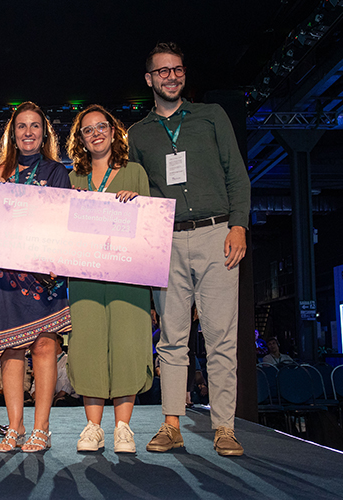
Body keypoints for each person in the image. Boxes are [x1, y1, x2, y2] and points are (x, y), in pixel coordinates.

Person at [128, 42, 251, 457]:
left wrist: (239, 226)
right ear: (149, 80)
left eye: (177, 69)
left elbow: (237, 173)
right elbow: (141, 190)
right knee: (172, 339)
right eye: (162, 71)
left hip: (217, 235)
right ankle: (171, 424)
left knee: (220, 338)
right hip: (166, 241)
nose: (171, 76)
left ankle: (224, 428)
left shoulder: (211, 116)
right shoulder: (138, 133)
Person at [0, 101, 72, 453]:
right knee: (11, 350)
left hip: (45, 273)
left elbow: (62, 220)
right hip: (5, 275)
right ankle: (14, 427)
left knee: (45, 347)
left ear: (43, 132)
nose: (28, 132)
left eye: (34, 126)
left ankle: (41, 428)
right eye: (21, 126)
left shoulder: (57, 171)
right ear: (12, 134)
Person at [65, 104, 154, 453]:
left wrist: (139, 204)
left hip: (127, 276)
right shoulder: (72, 180)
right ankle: (92, 428)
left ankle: (122, 428)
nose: (96, 133)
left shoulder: (135, 173)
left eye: (102, 126)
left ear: (114, 132)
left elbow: (151, 228)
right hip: (84, 277)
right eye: (88, 130)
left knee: (128, 345)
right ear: (81, 140)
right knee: (87, 345)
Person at [30, 334, 80, 407]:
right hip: (45, 400)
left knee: (60, 402)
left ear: (59, 341)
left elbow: (67, 386)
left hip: (67, 398)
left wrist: (53, 399)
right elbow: (35, 386)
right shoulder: (42, 362)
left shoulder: (69, 360)